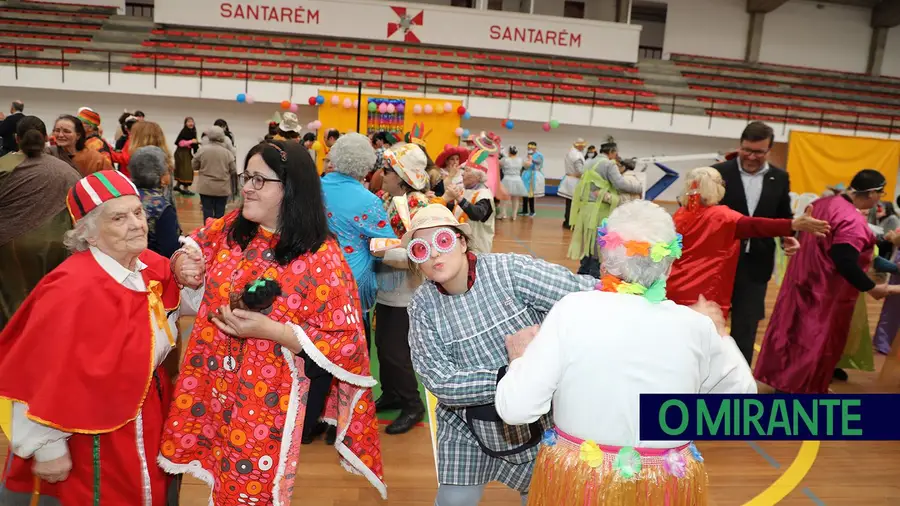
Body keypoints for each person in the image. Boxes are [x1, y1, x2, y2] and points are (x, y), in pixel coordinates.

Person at [159, 140, 386, 502]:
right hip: (213, 383)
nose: (246, 187)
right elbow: (195, 246)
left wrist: (272, 331)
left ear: (290, 188)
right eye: (246, 176)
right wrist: (181, 261)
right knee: (217, 472)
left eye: (259, 180)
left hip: (267, 399)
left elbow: (346, 341)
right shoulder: (235, 226)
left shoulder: (321, 256)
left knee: (249, 490)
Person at [494, 200, 757, 506]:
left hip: (580, 484)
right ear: (669, 266)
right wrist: (721, 335)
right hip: (665, 486)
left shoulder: (573, 311)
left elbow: (515, 409)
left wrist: (519, 359)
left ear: (604, 262)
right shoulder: (696, 327)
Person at [0, 169, 202, 505]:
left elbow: (182, 302)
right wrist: (47, 446)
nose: (137, 224)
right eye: (119, 218)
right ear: (89, 234)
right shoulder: (69, 288)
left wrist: (188, 269)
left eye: (138, 212)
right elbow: (34, 371)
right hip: (90, 432)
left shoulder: (147, 265)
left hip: (147, 413)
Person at [404, 204, 597, 506]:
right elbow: (438, 378)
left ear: (462, 241)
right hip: (465, 425)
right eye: (420, 249)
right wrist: (515, 373)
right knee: (453, 501)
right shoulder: (422, 306)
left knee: (540, 498)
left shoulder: (510, 271)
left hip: (539, 418)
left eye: (442, 241)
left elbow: (581, 295)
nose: (434, 255)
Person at [755, 169, 900, 394]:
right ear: (871, 193)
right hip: (825, 294)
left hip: (800, 281)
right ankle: (805, 391)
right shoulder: (851, 219)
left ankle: (784, 384)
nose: (880, 198)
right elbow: (845, 260)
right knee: (814, 345)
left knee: (790, 337)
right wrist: (872, 287)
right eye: (880, 193)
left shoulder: (823, 203)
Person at [311, 133, 396, 444]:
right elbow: (383, 245)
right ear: (366, 166)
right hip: (352, 285)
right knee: (351, 356)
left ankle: (312, 417)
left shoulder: (313, 190)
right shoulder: (369, 201)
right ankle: (341, 422)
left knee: (315, 352)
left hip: (315, 280)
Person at [667, 167, 830, 319]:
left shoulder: (681, 214)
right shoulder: (722, 217)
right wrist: (792, 225)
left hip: (674, 288)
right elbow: (755, 225)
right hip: (703, 295)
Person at [713, 121, 794, 366]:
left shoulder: (779, 178)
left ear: (769, 150)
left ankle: (738, 383)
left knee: (745, 329)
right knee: (708, 324)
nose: (751, 156)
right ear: (740, 145)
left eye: (758, 152)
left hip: (756, 265)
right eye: (746, 149)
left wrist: (788, 236)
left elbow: (783, 216)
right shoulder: (718, 173)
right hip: (718, 264)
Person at [372, 143, 431, 434]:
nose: (382, 175)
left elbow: (418, 252)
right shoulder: (387, 198)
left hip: (405, 289)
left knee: (396, 350)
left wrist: (380, 252)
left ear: (401, 175)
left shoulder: (418, 206)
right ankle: (392, 392)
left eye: (387, 171)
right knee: (383, 345)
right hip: (385, 284)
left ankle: (412, 403)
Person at [0, 116, 81, 328]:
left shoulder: (4, 165)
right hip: (56, 247)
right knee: (48, 306)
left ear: (16, 139)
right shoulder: (67, 171)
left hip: (9, 247)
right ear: (46, 138)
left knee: (12, 304)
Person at [567, 154, 642, 278]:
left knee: (597, 248)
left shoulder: (630, 181)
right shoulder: (621, 179)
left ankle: (590, 275)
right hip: (601, 215)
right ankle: (586, 272)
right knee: (592, 247)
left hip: (621, 223)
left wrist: (605, 196)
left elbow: (625, 200)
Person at [130, 146, 182, 258]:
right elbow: (171, 250)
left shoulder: (127, 197)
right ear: (161, 178)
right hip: (153, 266)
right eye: (168, 170)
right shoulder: (162, 207)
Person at [192, 125, 237, 222]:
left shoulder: (202, 150)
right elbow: (233, 170)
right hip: (222, 188)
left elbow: (194, 166)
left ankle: (207, 234)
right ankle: (217, 235)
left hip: (206, 187)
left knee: (207, 213)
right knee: (220, 214)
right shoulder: (228, 153)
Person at [50, 114, 114, 176]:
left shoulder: (95, 158)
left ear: (78, 135)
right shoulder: (48, 153)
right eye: (57, 130)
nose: (60, 135)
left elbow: (110, 179)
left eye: (66, 131)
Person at [557, 138, 586, 228]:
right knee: (574, 204)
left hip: (569, 179)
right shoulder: (577, 156)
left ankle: (567, 221)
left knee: (569, 203)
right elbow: (580, 171)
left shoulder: (570, 152)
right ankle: (571, 223)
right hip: (575, 181)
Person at [498, 146, 527, 221]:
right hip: (517, 179)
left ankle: (503, 214)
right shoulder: (520, 160)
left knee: (504, 198)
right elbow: (527, 165)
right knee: (515, 198)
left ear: (509, 152)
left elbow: (498, 165)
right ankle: (514, 215)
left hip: (507, 179)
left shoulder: (505, 159)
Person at [173, 116, 199, 195]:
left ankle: (177, 186)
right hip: (181, 153)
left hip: (187, 153)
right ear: (185, 124)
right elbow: (180, 143)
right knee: (186, 171)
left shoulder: (193, 132)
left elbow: (194, 144)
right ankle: (185, 189)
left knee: (183, 170)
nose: (191, 123)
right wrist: (191, 141)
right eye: (188, 122)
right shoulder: (184, 132)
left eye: (192, 121)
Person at [520, 142, 544, 217]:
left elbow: (538, 163)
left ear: (534, 148)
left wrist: (531, 159)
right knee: (524, 193)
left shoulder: (539, 155)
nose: (529, 149)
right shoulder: (528, 155)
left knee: (531, 194)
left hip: (533, 175)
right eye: (528, 148)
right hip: (526, 175)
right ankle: (524, 210)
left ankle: (532, 211)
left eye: (530, 148)